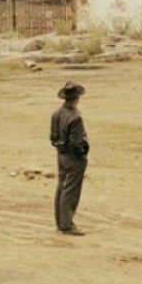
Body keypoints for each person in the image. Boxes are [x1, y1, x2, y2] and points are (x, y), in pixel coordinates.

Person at [50, 80, 89, 234]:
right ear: (77, 98)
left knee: (61, 187)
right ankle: (67, 224)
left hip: (61, 154)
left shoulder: (56, 114)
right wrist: (82, 155)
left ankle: (61, 222)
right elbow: (76, 143)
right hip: (74, 158)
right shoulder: (76, 117)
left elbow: (53, 137)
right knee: (71, 190)